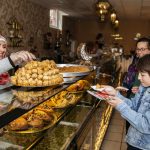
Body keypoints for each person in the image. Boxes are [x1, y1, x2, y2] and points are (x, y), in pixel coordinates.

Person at [103, 54, 150, 150]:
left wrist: (121, 106)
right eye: (139, 74)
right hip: (133, 139)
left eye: (143, 75)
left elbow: (146, 125)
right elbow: (133, 105)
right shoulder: (143, 86)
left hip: (143, 146)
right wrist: (116, 93)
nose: (139, 78)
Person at [122, 37, 150, 132]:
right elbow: (128, 82)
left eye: (142, 49)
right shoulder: (135, 63)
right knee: (129, 131)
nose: (139, 52)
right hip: (133, 102)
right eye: (138, 49)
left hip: (142, 112)